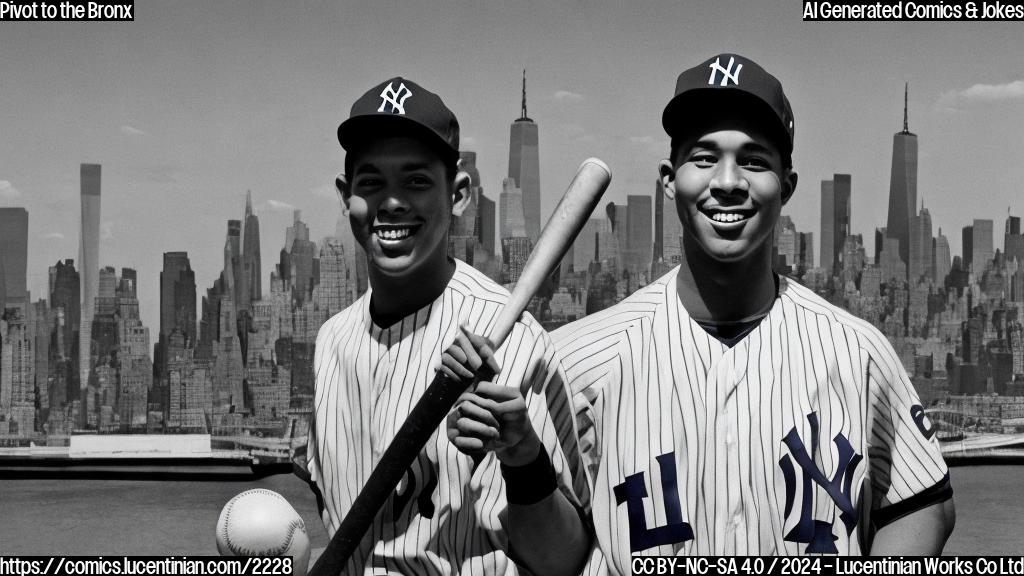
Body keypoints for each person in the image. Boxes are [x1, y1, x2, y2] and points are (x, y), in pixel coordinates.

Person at [550, 54, 955, 569]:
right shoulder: (579, 359)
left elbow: (924, 506)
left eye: (755, 161)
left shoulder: (857, 351)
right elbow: (540, 542)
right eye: (703, 157)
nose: (728, 181)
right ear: (669, 179)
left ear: (787, 184)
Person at [297, 77, 590, 575]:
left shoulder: (516, 342)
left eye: (415, 181)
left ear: (458, 195)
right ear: (347, 196)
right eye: (371, 182)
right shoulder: (332, 340)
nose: (391, 202)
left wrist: (521, 455)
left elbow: (564, 561)